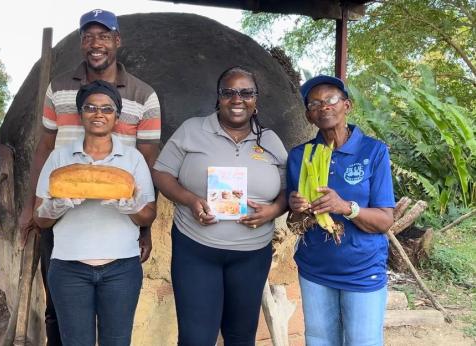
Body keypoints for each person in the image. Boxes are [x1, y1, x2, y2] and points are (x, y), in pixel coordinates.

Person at [17, 9, 161, 345]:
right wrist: (35, 208)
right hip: (65, 218)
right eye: (88, 36)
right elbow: (46, 145)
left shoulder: (143, 95)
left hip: (118, 236)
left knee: (114, 333)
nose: (95, 44)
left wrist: (143, 223)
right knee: (60, 311)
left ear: (117, 41)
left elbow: (149, 160)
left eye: (104, 36)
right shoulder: (59, 88)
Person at [152, 66, 287, 346]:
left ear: (255, 100)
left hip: (252, 255)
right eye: (229, 92)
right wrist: (190, 200)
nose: (237, 99)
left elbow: (290, 189)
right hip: (196, 250)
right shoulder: (192, 129)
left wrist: (273, 210)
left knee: (240, 337)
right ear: (219, 97)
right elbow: (162, 173)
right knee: (195, 339)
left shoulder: (271, 140)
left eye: (246, 92)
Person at [33, 80, 156, 345]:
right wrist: (59, 204)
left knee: (117, 342)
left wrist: (130, 205)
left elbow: (148, 214)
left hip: (121, 268)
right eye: (90, 108)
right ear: (81, 114)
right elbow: (40, 218)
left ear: (116, 116)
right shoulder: (59, 159)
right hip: (68, 269)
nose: (98, 114)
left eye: (107, 109)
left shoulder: (132, 159)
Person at [286, 75, 395, 346]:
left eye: (331, 100)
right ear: (309, 116)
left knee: (363, 341)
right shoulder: (301, 156)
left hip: (363, 269)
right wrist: (298, 210)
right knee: (319, 340)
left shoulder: (374, 152)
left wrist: (345, 207)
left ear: (347, 105)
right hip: (315, 269)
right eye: (314, 103)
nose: (324, 107)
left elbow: (384, 220)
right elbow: (293, 222)